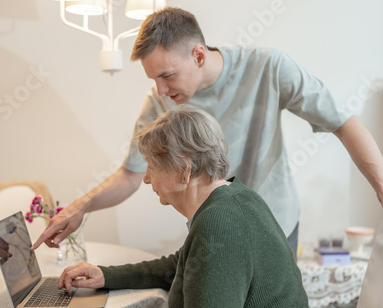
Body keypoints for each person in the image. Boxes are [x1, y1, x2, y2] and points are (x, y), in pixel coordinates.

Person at [32, 7, 383, 255]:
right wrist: (79, 208)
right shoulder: (160, 102)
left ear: (198, 55)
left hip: (275, 223)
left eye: (167, 75)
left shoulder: (269, 67)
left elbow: (343, 123)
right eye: (153, 79)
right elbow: (129, 176)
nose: (160, 90)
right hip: (215, 229)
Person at [58, 106, 323, 308]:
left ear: (184, 169)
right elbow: (181, 266)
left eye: (151, 165)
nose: (147, 178)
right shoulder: (235, 198)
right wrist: (105, 275)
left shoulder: (220, 223)